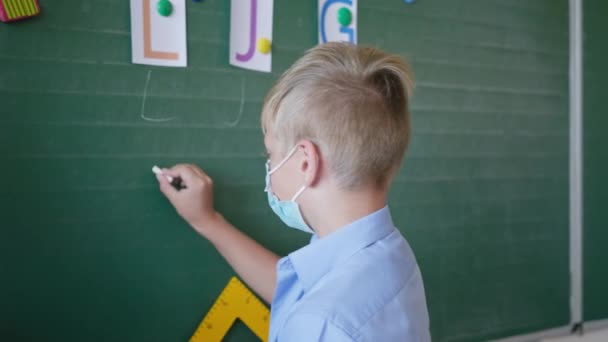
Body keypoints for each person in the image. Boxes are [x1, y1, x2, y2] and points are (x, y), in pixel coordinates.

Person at [156, 42, 431, 341]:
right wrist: (206, 221)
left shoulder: (320, 326)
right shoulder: (388, 253)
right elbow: (301, 293)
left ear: (304, 163)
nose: (269, 165)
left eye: (270, 154)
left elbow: (317, 315)